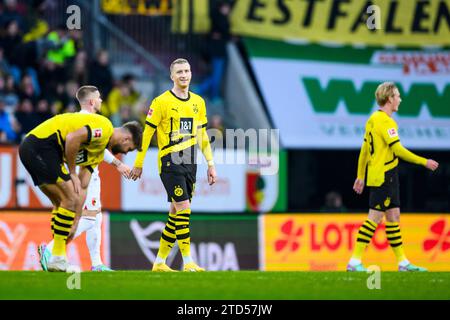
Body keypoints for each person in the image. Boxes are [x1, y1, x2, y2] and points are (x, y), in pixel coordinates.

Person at [18, 85, 142, 272]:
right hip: (41, 146)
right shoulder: (105, 127)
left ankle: (56, 256)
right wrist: (72, 173)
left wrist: (76, 220)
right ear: (126, 139)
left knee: (66, 201)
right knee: (70, 199)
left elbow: (83, 185)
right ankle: (55, 254)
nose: (126, 153)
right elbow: (73, 138)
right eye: (130, 149)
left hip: (34, 148)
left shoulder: (98, 151)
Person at [130, 58, 217, 272]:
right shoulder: (161, 102)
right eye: (179, 72)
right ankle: (188, 261)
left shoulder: (198, 102)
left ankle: (159, 262)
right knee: (184, 209)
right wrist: (139, 163)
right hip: (170, 161)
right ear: (172, 76)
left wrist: (211, 164)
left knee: (175, 213)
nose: (184, 75)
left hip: (190, 162)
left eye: (187, 71)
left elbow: (202, 135)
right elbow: (148, 132)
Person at [347, 82, 439, 272]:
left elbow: (364, 150)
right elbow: (397, 149)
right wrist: (424, 162)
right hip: (384, 176)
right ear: (389, 98)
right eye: (397, 95)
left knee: (394, 217)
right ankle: (354, 261)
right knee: (374, 218)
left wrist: (360, 175)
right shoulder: (387, 121)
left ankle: (403, 263)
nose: (400, 99)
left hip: (384, 174)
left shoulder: (373, 118)